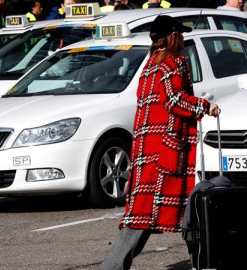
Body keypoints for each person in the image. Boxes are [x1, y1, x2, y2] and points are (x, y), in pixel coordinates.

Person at [100, 15, 221, 270]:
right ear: (174, 36)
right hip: (168, 150)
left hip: (148, 150)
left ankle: (205, 262)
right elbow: (174, 100)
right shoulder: (174, 62)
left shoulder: (150, 64)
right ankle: (206, 263)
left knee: (148, 214)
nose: (185, 39)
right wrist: (205, 106)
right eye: (182, 34)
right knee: (185, 213)